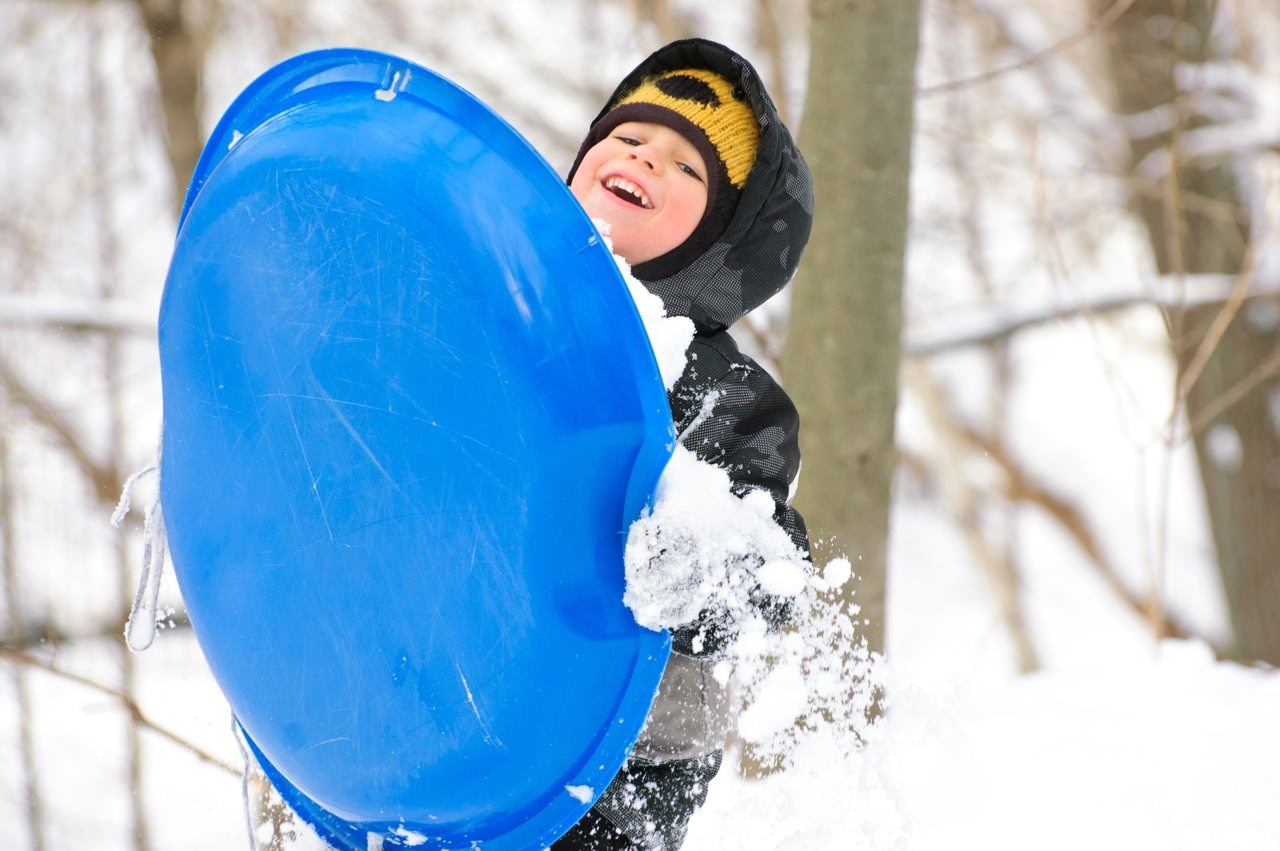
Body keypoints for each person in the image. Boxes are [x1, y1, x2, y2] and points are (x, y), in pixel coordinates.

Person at [553, 38, 813, 851]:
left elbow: (770, 566)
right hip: (458, 701)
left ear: (717, 249)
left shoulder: (718, 392)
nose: (644, 157)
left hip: (621, 768)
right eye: (630, 137)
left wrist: (706, 563)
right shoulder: (499, 316)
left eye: (687, 165)